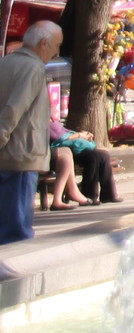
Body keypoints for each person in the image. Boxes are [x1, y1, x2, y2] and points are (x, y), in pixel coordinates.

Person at [0, 21, 61, 242]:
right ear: (44, 43)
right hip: (22, 154)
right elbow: (14, 108)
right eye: (56, 46)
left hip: (8, 154)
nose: (56, 53)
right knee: (16, 231)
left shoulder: (5, 63)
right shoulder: (33, 68)